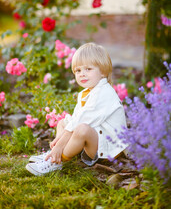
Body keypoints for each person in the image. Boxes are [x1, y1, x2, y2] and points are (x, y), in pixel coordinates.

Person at [26, 42, 127, 176]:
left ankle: (57, 160)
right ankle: (54, 153)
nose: (82, 74)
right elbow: (75, 119)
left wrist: (61, 144)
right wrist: (59, 142)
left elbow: (81, 122)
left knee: (81, 129)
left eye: (88, 69)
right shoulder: (87, 92)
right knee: (63, 122)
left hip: (108, 149)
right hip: (97, 137)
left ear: (103, 72)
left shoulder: (104, 93)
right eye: (78, 70)